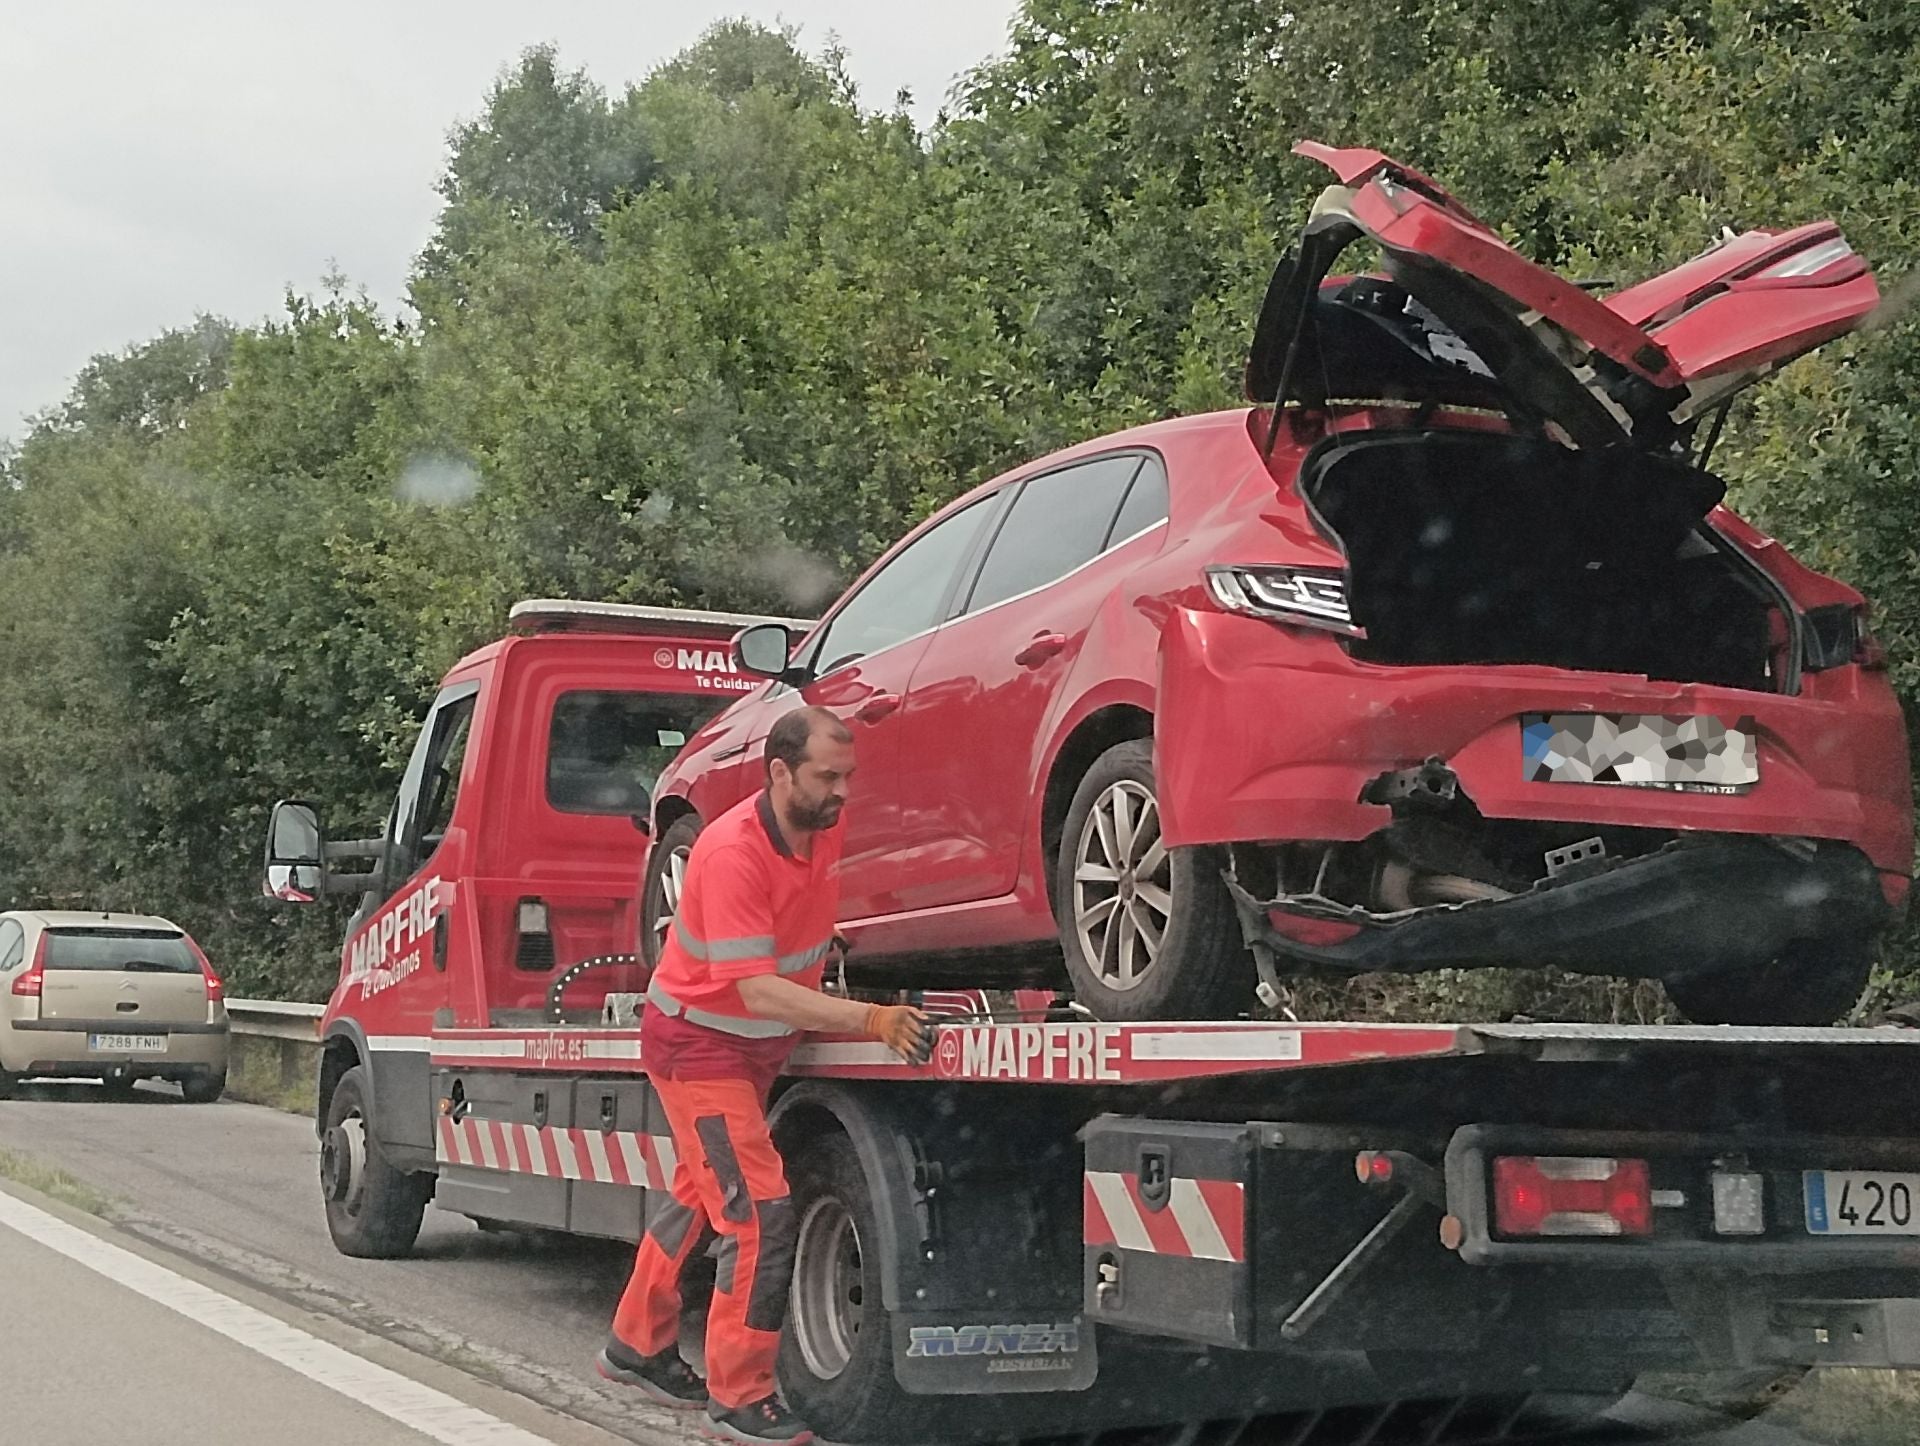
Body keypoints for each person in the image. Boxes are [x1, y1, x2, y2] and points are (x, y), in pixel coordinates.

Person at [598, 706, 931, 1446]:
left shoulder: (819, 824)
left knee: (701, 1195)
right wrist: (872, 1019)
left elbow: (793, 923)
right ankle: (740, 1396)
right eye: (828, 776)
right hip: (701, 1049)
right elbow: (756, 991)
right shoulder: (731, 853)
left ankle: (635, 1342)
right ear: (780, 772)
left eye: (848, 775)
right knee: (758, 1217)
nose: (843, 791)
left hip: (745, 1052)